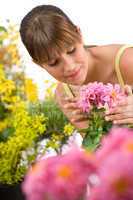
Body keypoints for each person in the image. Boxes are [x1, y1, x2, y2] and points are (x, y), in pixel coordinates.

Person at [20, 4, 133, 129]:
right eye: (53, 62)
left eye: (71, 50)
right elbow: (98, 147)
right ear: (39, 64)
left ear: (79, 34)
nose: (70, 67)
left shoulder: (127, 61)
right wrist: (99, 122)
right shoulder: (65, 96)